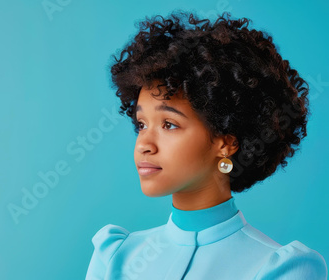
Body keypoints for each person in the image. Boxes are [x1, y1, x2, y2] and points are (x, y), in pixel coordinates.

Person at [85, 11, 328, 280]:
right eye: (141, 124)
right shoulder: (115, 256)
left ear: (226, 143)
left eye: (169, 124)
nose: (144, 144)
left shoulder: (282, 269)